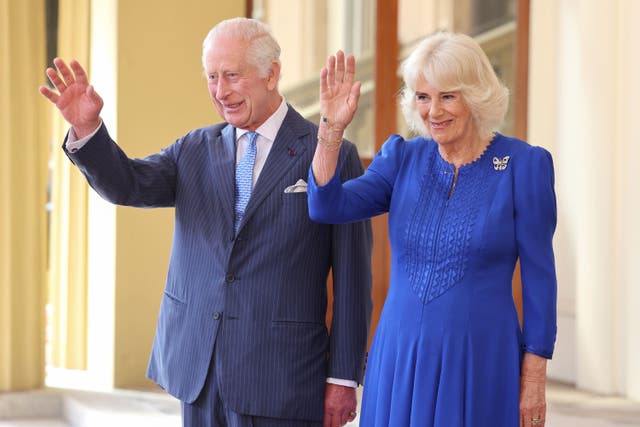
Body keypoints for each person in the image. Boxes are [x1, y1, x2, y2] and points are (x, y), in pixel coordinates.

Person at [39, 17, 372, 427]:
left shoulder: (330, 154)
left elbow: (354, 280)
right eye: (212, 77)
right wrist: (87, 128)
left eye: (232, 75)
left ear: (272, 74)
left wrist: (343, 377)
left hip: (282, 378)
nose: (220, 91)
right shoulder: (193, 149)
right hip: (198, 371)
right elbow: (127, 185)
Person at [308, 31, 557, 427]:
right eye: (423, 97)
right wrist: (331, 130)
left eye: (447, 96)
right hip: (400, 355)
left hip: (480, 359)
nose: (433, 111)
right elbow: (326, 205)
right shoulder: (402, 157)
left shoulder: (523, 165)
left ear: (474, 96)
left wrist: (534, 377)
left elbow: (540, 279)